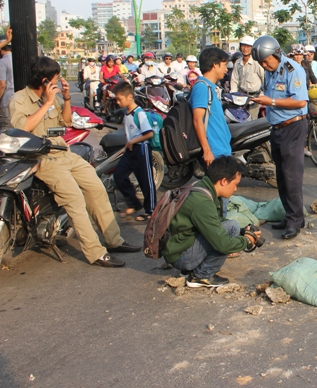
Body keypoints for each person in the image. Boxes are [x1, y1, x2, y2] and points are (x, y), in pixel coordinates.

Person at [9, 56, 140, 267]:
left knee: (96, 188)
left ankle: (114, 241)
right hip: (42, 158)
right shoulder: (20, 99)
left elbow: (67, 121)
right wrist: (48, 103)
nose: (57, 83)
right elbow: (22, 128)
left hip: (63, 151)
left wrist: (67, 99)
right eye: (54, 79)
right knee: (75, 199)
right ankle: (96, 253)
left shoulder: (51, 97)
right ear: (44, 81)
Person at [162, 156, 260, 287]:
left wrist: (243, 232)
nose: (235, 189)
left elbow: (215, 223)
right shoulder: (202, 202)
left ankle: (190, 270)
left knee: (233, 227)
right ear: (224, 181)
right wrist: (247, 240)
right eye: (235, 184)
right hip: (180, 256)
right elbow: (223, 244)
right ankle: (202, 275)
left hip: (177, 247)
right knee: (232, 228)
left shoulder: (202, 187)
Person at [250, 36, 308, 240]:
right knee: (282, 175)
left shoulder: (293, 70)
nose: (264, 65)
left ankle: (295, 221)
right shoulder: (270, 72)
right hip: (277, 128)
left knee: (292, 176)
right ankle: (290, 215)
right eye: (261, 63)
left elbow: (300, 102)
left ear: (276, 53)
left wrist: (271, 101)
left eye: (267, 61)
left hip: (293, 125)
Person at [112, 81, 156, 222]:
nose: (118, 102)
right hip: (131, 150)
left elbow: (149, 134)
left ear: (130, 97)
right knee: (119, 174)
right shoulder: (126, 112)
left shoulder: (140, 113)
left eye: (120, 99)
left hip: (141, 149)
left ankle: (151, 210)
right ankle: (134, 204)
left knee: (146, 181)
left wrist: (132, 141)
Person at [191, 47, 232, 166]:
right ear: (215, 65)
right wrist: (207, 150)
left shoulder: (210, 87)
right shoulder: (202, 87)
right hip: (214, 152)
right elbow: (197, 119)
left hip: (221, 150)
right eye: (224, 65)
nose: (226, 69)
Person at [231, 36, 264, 119]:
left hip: (255, 98)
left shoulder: (256, 62)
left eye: (248, 46)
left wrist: (262, 95)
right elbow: (234, 80)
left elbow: (264, 79)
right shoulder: (238, 62)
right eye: (243, 46)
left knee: (252, 120)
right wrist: (233, 95)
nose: (245, 49)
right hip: (241, 97)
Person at [0, 28, 14, 132]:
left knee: (5, 130)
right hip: (16, 98)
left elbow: (2, 85)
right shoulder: (15, 58)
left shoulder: (2, 62)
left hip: (6, 99)